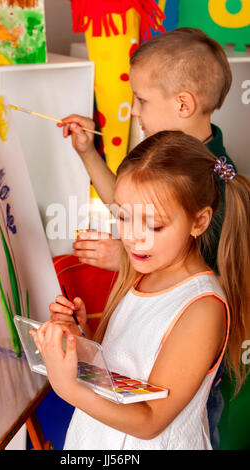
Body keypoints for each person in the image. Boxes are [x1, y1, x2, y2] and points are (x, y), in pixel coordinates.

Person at [57, 27, 237, 448]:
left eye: (140, 100)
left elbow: (189, 278)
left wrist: (120, 255)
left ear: (183, 104)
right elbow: (130, 201)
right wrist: (87, 343)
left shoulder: (212, 185)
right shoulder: (162, 162)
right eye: (125, 218)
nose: (133, 112)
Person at [31, 131, 250, 450]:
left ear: (199, 221)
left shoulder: (203, 307)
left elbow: (150, 420)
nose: (132, 236)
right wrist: (81, 339)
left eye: (153, 225)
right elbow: (124, 374)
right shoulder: (143, 274)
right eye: (123, 215)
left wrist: (68, 388)